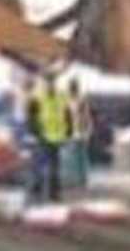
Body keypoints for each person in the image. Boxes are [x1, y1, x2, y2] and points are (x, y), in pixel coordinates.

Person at [37, 72, 72, 201]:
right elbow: (33, 117)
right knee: (48, 167)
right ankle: (48, 193)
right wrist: (36, 132)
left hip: (57, 137)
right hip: (44, 137)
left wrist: (68, 131)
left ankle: (53, 194)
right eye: (47, 83)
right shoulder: (39, 97)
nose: (49, 85)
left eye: (51, 83)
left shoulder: (61, 96)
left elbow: (67, 115)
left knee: (54, 167)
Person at [67, 77, 93, 188]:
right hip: (73, 131)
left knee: (81, 157)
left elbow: (86, 116)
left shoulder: (81, 100)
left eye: (73, 87)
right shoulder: (68, 100)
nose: (72, 89)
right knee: (75, 158)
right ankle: (77, 180)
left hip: (80, 131)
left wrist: (88, 130)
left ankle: (82, 180)